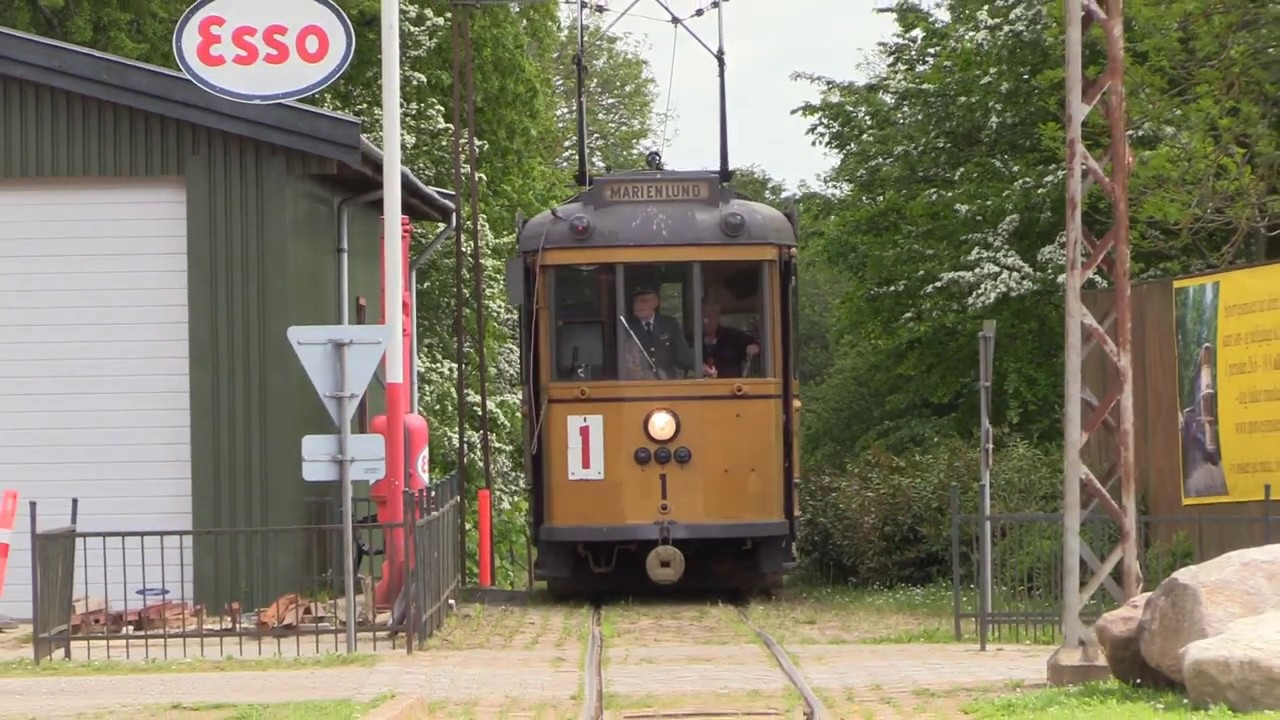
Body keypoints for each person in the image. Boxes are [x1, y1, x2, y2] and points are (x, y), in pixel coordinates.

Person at [621, 286, 704, 379]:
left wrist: (701, 368)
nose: (638, 305)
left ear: (656, 302)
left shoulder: (670, 324)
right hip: (640, 385)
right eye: (635, 301)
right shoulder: (627, 327)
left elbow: (682, 355)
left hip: (666, 384)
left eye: (644, 301)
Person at [701, 297, 760, 379]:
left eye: (709, 315)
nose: (705, 321)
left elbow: (758, 345)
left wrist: (756, 347)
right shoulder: (694, 341)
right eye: (703, 316)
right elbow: (685, 361)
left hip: (730, 389)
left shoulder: (733, 337)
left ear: (718, 316)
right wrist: (698, 368)